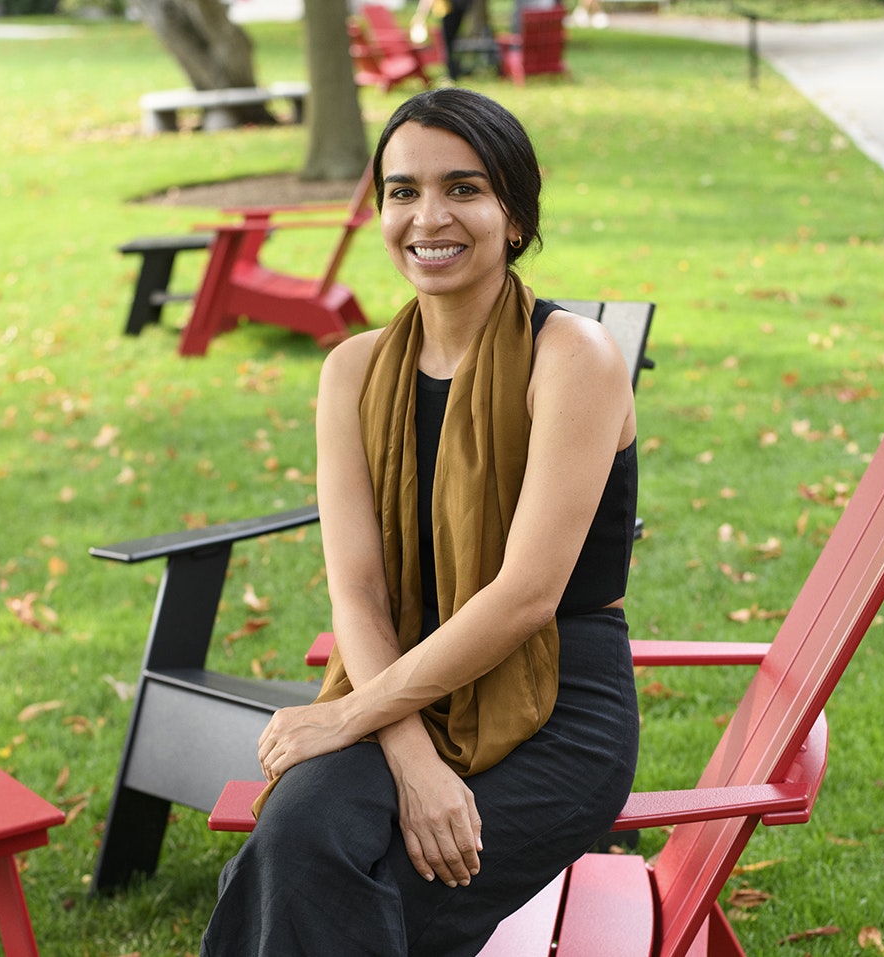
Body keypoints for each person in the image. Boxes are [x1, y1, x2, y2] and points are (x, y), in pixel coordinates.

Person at [200, 88, 639, 957]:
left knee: (349, 896)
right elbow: (357, 590)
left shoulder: (572, 358)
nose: (427, 215)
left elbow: (524, 596)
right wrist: (405, 753)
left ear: (514, 215)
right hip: (402, 684)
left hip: (555, 703)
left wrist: (352, 717)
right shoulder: (353, 371)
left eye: (463, 188)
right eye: (402, 191)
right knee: (297, 842)